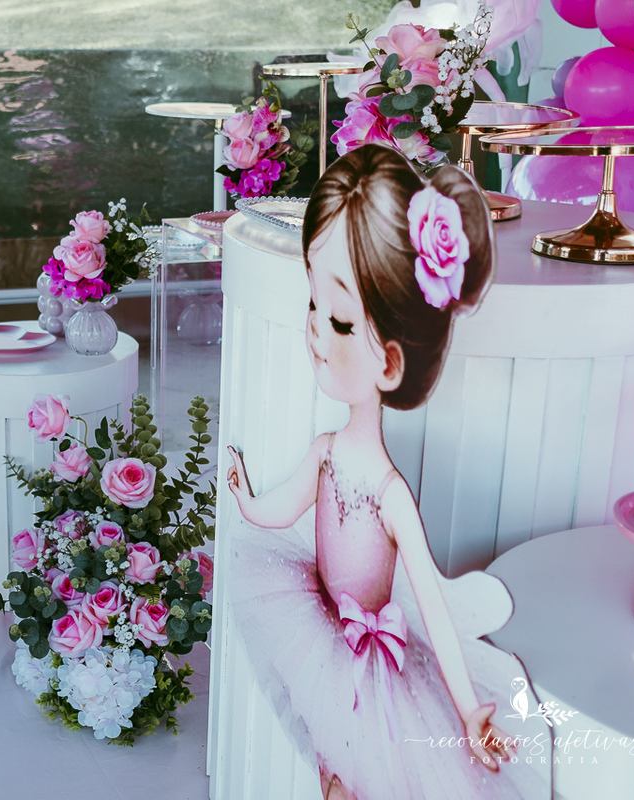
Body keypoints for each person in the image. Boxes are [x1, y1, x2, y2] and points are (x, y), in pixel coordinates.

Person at [225, 144, 549, 799]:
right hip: (322, 633)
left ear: (392, 364)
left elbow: (429, 602)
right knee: (331, 774)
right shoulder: (323, 449)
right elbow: (281, 511)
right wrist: (244, 497)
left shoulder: (390, 494)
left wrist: (468, 712)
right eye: (315, 307)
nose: (315, 332)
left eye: (340, 320)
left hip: (377, 670)